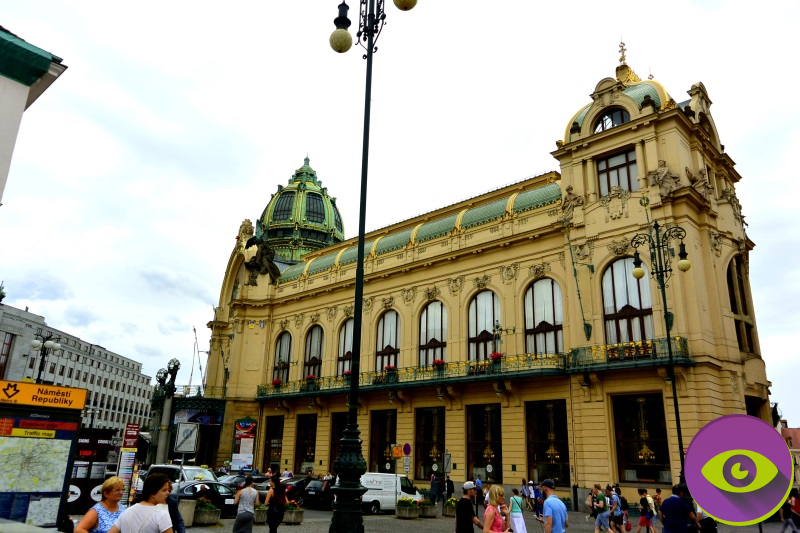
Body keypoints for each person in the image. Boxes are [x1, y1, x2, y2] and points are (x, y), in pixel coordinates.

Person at [108, 473, 173, 533]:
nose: (168, 493)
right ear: (153, 492)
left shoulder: (127, 512)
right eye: (164, 490)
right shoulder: (161, 515)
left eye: (168, 490)